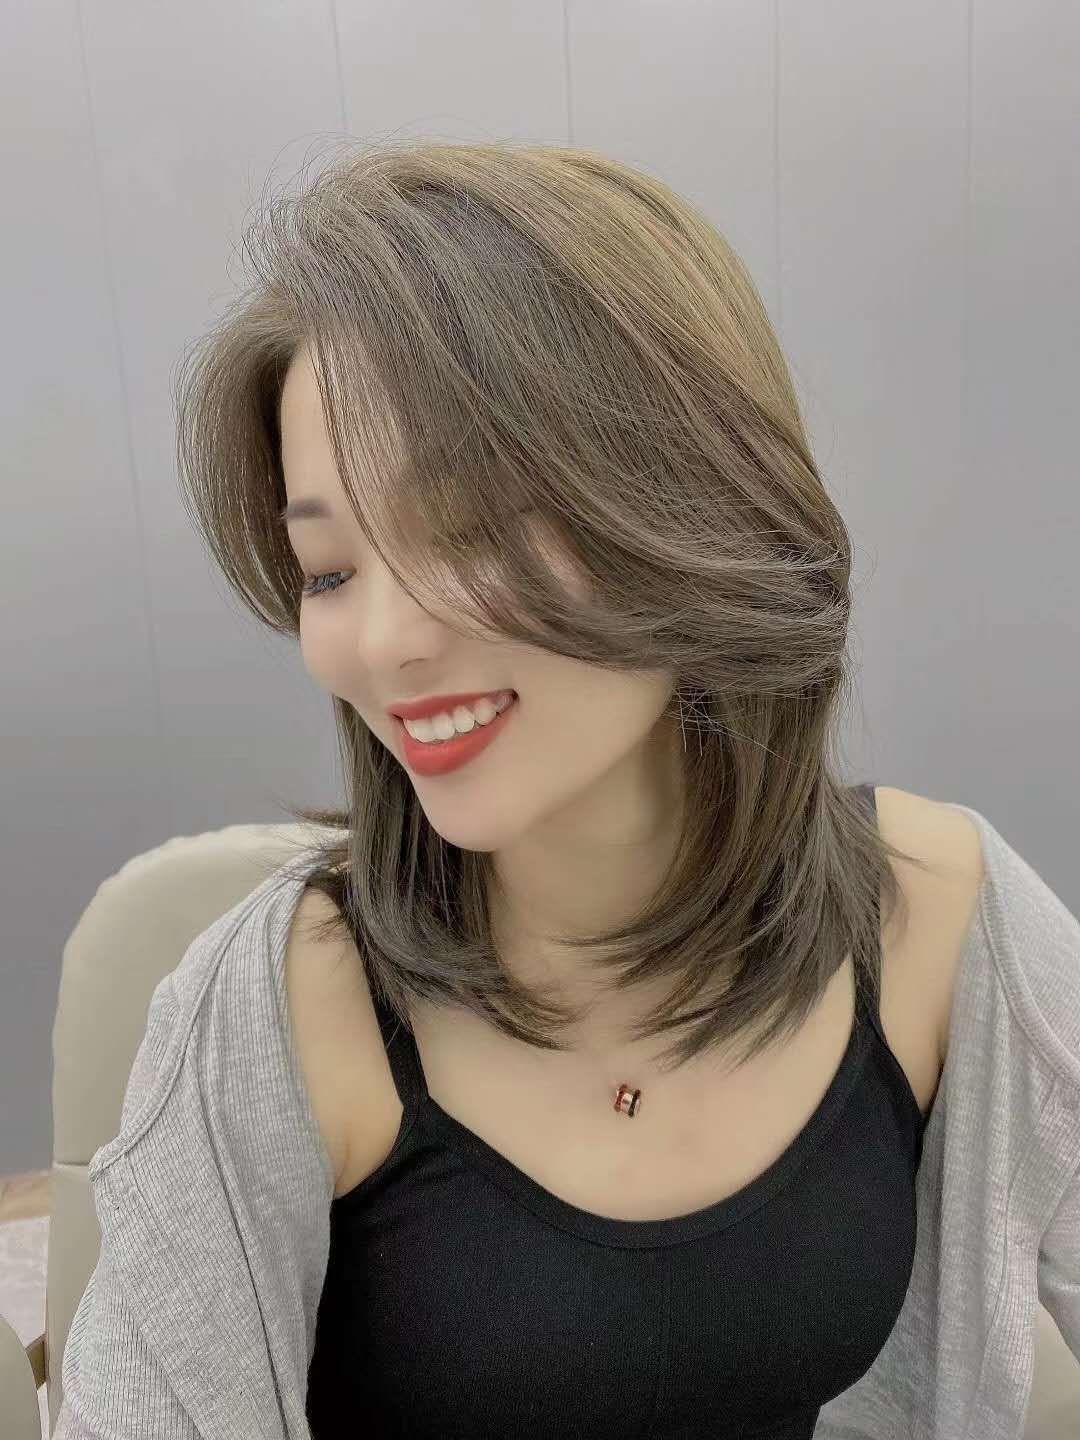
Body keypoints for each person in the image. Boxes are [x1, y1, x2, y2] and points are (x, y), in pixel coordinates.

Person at [54, 138, 1078, 1440]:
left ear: (695, 504)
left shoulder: (943, 915)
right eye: (330, 572)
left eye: (471, 527)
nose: (386, 642)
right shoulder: (284, 1013)